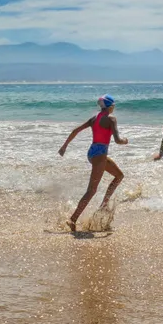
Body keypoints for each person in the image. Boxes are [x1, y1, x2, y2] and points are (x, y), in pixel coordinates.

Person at [58, 95, 128, 231]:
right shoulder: (111, 119)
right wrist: (125, 140)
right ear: (110, 106)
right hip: (100, 155)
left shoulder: (94, 118)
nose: (114, 108)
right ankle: (73, 219)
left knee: (119, 176)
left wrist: (64, 146)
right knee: (92, 190)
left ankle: (104, 204)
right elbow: (118, 140)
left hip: (92, 152)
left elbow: (76, 130)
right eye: (114, 105)